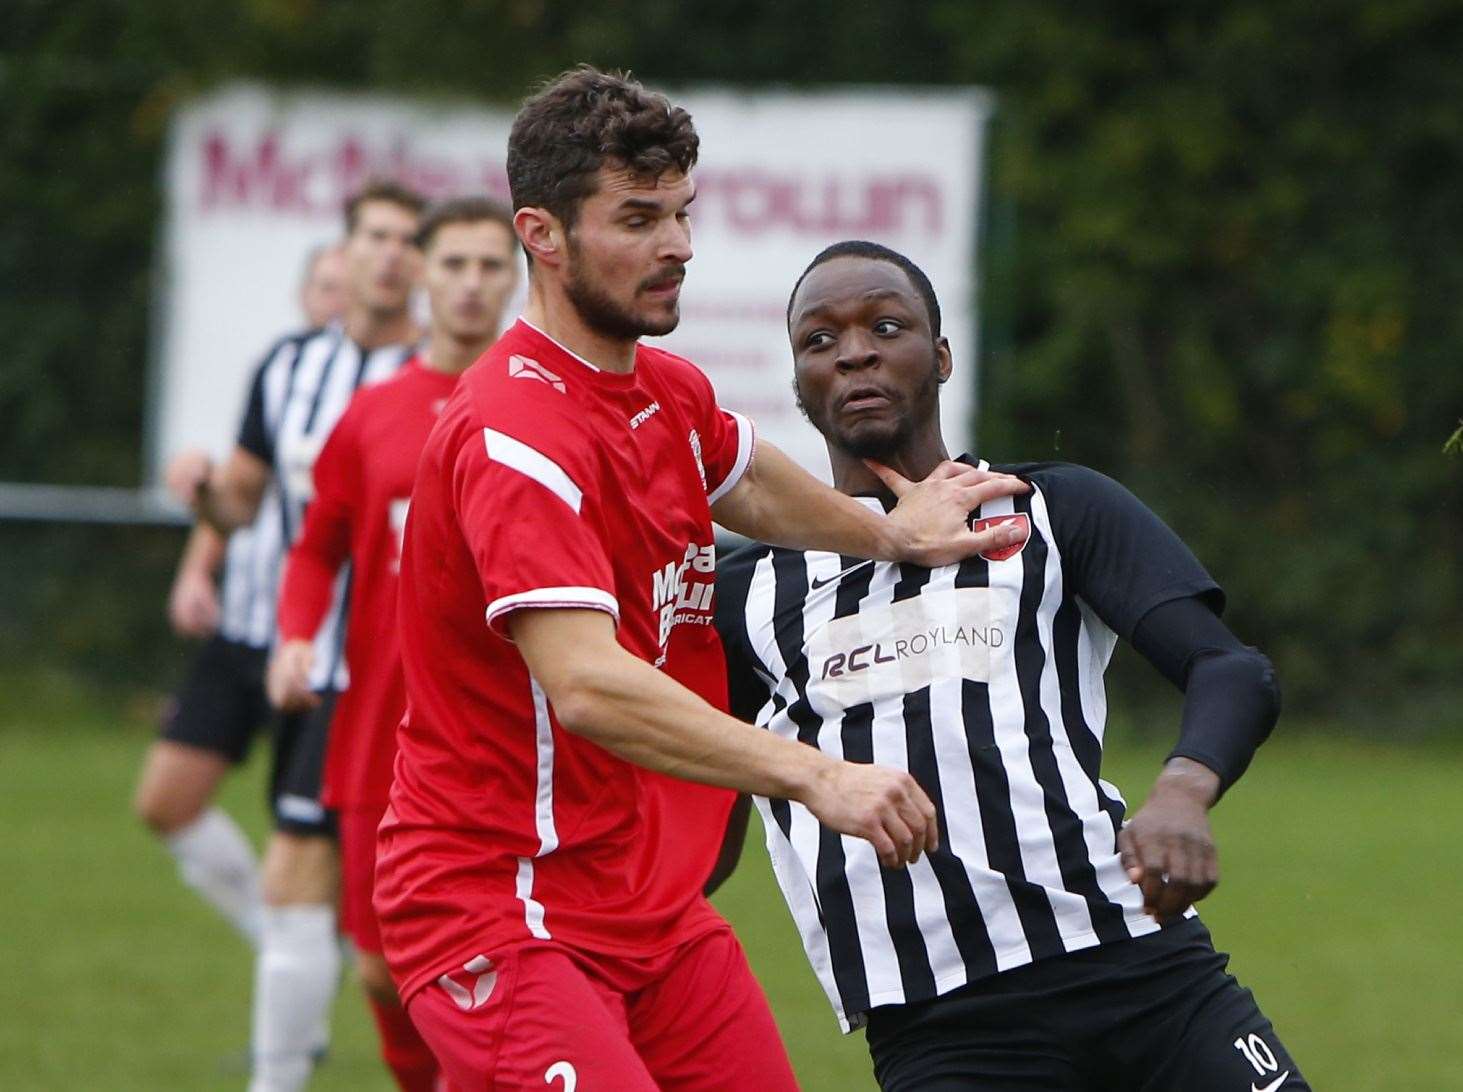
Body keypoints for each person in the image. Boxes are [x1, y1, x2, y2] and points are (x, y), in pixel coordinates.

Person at [373, 65, 1028, 1092]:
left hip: (647, 906)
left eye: (681, 213)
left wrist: (892, 532)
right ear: (542, 236)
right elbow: (584, 684)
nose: (676, 245)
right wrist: (813, 774)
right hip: (500, 911)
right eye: (637, 218)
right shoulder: (512, 432)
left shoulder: (661, 390)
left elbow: (747, 481)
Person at [713, 240, 1310, 1091]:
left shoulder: (1054, 509)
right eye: (819, 340)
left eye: (886, 325)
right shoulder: (746, 591)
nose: (853, 351)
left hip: (1140, 971)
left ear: (943, 355)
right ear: (799, 387)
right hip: (942, 1027)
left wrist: (1182, 792)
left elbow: (1229, 668)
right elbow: (698, 787)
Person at [167, 178, 425, 1092]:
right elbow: (240, 500)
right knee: (316, 897)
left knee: (337, 903)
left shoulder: (437, 382)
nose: (391, 254)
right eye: (376, 236)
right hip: (293, 650)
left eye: (408, 240)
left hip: (382, 671)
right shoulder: (287, 367)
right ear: (344, 253)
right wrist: (203, 495)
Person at [268, 196, 519, 1091]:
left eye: (491, 265)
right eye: (453, 263)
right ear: (420, 271)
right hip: (382, 730)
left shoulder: (538, 408)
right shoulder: (373, 415)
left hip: (513, 741)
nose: (470, 283)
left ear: (517, 275)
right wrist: (295, 636)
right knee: (381, 969)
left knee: (506, 966)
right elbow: (315, 548)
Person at [132, 239, 353, 950]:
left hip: (331, 647)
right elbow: (239, 492)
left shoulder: (386, 383)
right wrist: (197, 568)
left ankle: (343, 966)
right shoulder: (284, 373)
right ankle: (282, 946)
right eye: (325, 285)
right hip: (244, 630)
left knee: (326, 848)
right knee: (165, 801)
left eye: (347, 287)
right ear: (303, 295)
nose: (337, 300)